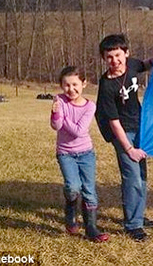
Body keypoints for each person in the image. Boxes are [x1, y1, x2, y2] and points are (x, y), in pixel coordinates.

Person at [95, 34, 153, 242]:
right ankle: (133, 226)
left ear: (126, 53)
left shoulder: (131, 65)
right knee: (131, 176)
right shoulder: (107, 85)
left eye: (117, 55)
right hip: (121, 132)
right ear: (104, 59)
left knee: (141, 175)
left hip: (140, 126)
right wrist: (128, 148)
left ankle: (138, 216)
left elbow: (144, 65)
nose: (114, 61)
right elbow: (113, 121)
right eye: (109, 57)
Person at [50, 66, 109, 243]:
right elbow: (56, 126)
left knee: (89, 190)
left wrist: (62, 114)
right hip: (65, 154)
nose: (71, 89)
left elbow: (79, 131)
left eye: (75, 84)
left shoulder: (90, 106)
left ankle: (91, 227)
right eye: (66, 85)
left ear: (84, 84)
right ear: (61, 86)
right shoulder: (59, 100)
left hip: (86, 154)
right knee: (72, 187)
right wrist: (56, 113)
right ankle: (70, 212)